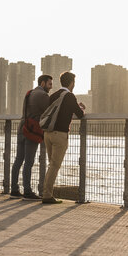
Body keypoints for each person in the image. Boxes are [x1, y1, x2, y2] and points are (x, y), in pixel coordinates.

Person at [42, 72, 85, 204]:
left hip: (47, 134)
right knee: (54, 166)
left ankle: (47, 193)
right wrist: (81, 108)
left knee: (51, 165)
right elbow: (80, 114)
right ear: (72, 83)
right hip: (60, 135)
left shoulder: (54, 95)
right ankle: (47, 195)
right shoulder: (69, 96)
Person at [10, 74, 53, 200]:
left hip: (22, 129)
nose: (51, 87)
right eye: (49, 84)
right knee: (29, 162)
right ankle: (27, 191)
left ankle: (14, 189)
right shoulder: (43, 95)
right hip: (32, 131)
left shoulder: (30, 93)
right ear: (43, 83)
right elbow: (50, 111)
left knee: (19, 160)